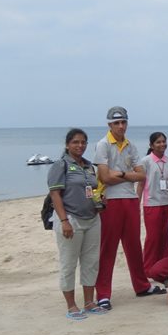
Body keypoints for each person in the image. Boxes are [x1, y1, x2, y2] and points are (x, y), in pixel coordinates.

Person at [94, 106, 163, 310]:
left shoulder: (131, 145)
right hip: (111, 201)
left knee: (133, 245)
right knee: (108, 248)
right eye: (117, 123)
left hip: (130, 199)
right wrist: (126, 174)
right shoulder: (103, 145)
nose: (121, 126)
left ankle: (141, 285)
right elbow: (104, 176)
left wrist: (121, 174)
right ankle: (103, 293)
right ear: (110, 124)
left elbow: (142, 175)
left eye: (123, 122)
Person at [48, 129, 103, 319]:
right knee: (69, 263)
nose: (80, 146)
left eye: (83, 142)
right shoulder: (60, 165)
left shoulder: (89, 166)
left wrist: (99, 201)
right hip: (71, 218)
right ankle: (71, 305)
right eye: (75, 142)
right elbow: (55, 194)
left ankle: (89, 302)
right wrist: (64, 221)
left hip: (92, 219)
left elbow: (92, 190)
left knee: (91, 262)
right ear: (67, 144)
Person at [137, 132, 168, 277]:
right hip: (152, 204)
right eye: (158, 142)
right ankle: (147, 268)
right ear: (151, 145)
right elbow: (141, 184)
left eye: (164, 141)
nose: (162, 145)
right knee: (153, 238)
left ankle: (163, 267)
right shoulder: (145, 161)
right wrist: (137, 201)